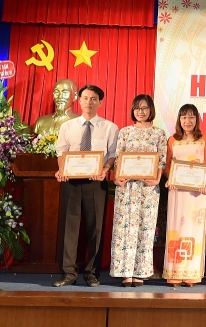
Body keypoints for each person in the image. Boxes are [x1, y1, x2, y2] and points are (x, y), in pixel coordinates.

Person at [53, 84, 118, 287]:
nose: (89, 102)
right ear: (79, 100)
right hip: (71, 182)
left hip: (96, 182)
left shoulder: (110, 127)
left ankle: (92, 272)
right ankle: (68, 273)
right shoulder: (67, 127)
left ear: (100, 102)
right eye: (85, 98)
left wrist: (105, 170)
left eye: (93, 99)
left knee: (95, 228)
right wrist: (62, 170)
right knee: (69, 228)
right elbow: (61, 152)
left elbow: (113, 155)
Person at [111, 94, 167, 287]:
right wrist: (118, 177)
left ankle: (140, 272)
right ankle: (125, 272)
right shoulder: (125, 132)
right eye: (137, 108)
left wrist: (157, 179)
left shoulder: (159, 134)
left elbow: (161, 160)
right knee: (126, 229)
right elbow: (119, 157)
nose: (140, 111)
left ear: (151, 110)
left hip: (148, 189)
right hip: (127, 188)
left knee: (145, 229)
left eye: (144, 108)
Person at [163, 104, 206, 287]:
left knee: (193, 231)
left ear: (196, 119)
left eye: (191, 117)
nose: (188, 121)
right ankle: (175, 273)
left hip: (196, 194)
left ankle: (191, 273)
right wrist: (170, 179)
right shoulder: (172, 140)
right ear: (179, 120)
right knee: (176, 229)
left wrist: (205, 184)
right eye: (184, 117)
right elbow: (167, 166)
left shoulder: (205, 139)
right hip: (177, 192)